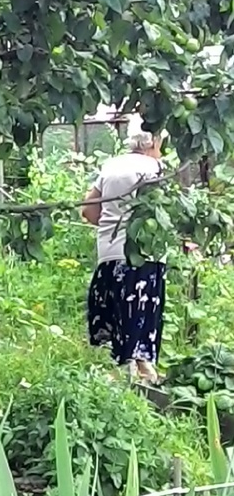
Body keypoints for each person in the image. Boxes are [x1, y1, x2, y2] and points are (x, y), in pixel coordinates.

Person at [81, 123, 165, 383]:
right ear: (154, 143)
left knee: (114, 312)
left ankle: (118, 372)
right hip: (144, 253)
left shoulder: (111, 166)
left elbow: (88, 210)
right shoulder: (156, 169)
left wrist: (112, 226)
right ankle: (143, 374)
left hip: (110, 252)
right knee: (140, 314)